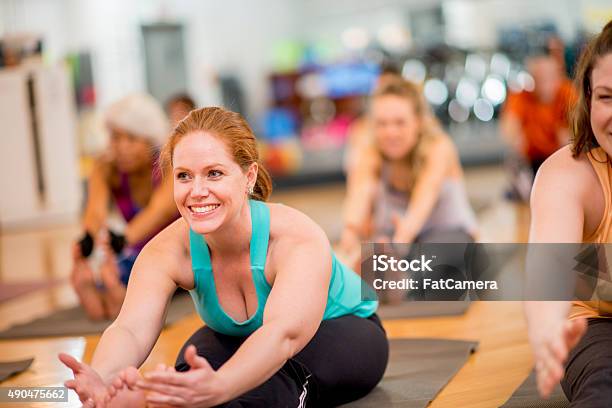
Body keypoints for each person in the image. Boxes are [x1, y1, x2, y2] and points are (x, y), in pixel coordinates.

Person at [59, 106, 388, 407]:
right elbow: (130, 328)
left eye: (214, 173)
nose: (197, 190)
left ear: (249, 176)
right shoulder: (168, 250)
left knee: (262, 381)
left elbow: (283, 335)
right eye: (184, 176)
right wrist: (102, 379)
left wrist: (222, 385)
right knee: (190, 372)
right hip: (242, 338)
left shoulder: (293, 236)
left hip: (342, 330)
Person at [526, 20, 612, 406]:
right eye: (608, 97)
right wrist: (546, 326)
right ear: (589, 99)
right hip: (597, 324)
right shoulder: (569, 174)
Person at [339, 78, 478, 269]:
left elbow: (426, 193)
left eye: (400, 123)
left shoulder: (439, 147)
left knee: (432, 262)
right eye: (382, 124)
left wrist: (401, 241)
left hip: (448, 235)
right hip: (400, 242)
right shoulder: (370, 152)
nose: (391, 132)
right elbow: (360, 191)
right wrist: (351, 231)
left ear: (418, 122)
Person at [72, 93, 178, 320]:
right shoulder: (106, 167)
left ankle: (117, 293)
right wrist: (87, 241)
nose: (121, 148)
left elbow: (159, 211)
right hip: (137, 251)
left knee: (138, 269)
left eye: (131, 139)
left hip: (177, 248)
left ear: (150, 140)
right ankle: (104, 290)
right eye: (115, 138)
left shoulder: (169, 163)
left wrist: (120, 240)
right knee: (119, 268)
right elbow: (95, 210)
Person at [500, 48, 577, 179]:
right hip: (531, 160)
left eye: (549, 77)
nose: (545, 84)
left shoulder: (567, 92)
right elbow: (509, 126)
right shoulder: (521, 96)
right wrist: (515, 138)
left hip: (561, 156)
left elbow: (580, 123)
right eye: (539, 78)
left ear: (558, 76)